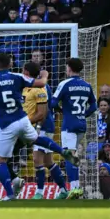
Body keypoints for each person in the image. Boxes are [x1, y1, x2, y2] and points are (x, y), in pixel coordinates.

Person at [0, 54, 78, 201]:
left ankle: (10, 193)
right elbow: (41, 82)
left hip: (8, 125)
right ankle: (61, 152)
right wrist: (45, 75)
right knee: (36, 141)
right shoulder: (18, 77)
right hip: (22, 120)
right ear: (10, 64)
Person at [51, 58, 97, 199]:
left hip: (69, 125)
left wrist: (61, 110)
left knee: (69, 155)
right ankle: (76, 187)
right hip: (82, 125)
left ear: (69, 68)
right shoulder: (86, 85)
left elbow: (52, 102)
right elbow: (94, 106)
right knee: (73, 154)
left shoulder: (64, 84)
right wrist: (83, 114)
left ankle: (75, 188)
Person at [22, 62, 68, 199]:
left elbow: (45, 109)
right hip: (36, 125)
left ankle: (40, 192)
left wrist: (38, 127)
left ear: (27, 72)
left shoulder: (42, 86)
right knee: (48, 162)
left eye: (23, 70)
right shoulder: (26, 86)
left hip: (44, 125)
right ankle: (64, 189)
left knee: (37, 159)